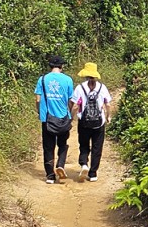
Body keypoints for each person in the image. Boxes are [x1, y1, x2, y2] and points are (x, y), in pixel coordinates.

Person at [35, 55, 75, 184]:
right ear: (62, 66)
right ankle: (60, 165)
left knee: (48, 146)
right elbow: (71, 100)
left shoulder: (42, 80)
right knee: (63, 144)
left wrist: (39, 112)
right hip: (63, 117)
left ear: (50, 66)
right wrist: (69, 114)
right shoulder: (68, 80)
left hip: (47, 118)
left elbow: (38, 99)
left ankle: (50, 176)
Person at [71, 62, 113, 182]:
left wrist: (71, 118)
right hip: (99, 123)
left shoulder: (80, 88)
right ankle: (93, 173)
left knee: (84, 145)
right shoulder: (102, 87)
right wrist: (108, 116)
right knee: (97, 147)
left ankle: (84, 164)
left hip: (84, 122)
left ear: (85, 75)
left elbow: (75, 106)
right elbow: (108, 104)